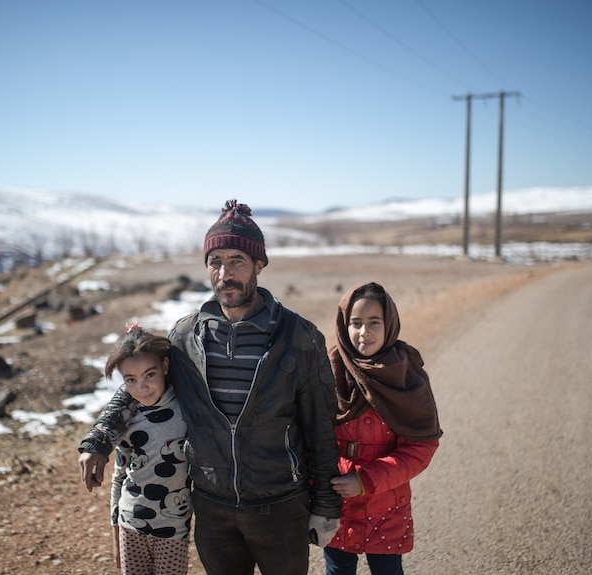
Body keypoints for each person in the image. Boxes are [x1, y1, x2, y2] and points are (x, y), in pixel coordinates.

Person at [79, 199, 342, 575]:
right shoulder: (186, 337)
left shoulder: (299, 337)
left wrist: (326, 506)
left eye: (236, 260)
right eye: (215, 262)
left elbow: (321, 426)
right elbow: (137, 385)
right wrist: (98, 442)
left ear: (259, 266)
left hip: (281, 506)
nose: (224, 273)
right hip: (213, 509)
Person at [325, 282, 442, 575]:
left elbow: (421, 446)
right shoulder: (329, 369)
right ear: (344, 325)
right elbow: (309, 435)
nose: (364, 332)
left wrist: (366, 479)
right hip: (336, 504)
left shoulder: (405, 374)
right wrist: (330, 478)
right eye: (356, 323)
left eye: (374, 322)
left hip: (387, 508)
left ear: (388, 324)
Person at [78, 324, 192, 575]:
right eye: (131, 379)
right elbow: (120, 475)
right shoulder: (126, 417)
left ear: (164, 366)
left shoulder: (187, 408)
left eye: (149, 374)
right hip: (130, 524)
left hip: (173, 528)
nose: (142, 387)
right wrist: (116, 534)